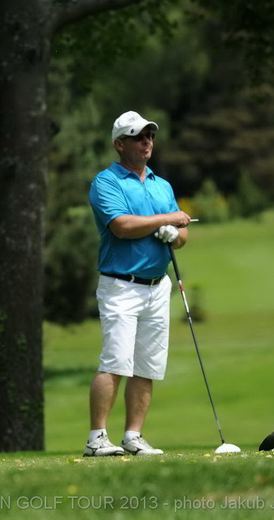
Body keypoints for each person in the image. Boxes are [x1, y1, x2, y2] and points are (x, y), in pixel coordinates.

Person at [84, 111, 192, 456]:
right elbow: (122, 226)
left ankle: (133, 437)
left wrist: (174, 234)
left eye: (150, 136)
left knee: (147, 365)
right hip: (121, 285)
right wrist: (167, 220)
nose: (147, 142)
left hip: (157, 286)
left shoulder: (162, 185)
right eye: (138, 137)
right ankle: (97, 439)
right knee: (115, 361)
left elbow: (183, 234)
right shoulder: (106, 182)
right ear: (120, 144)